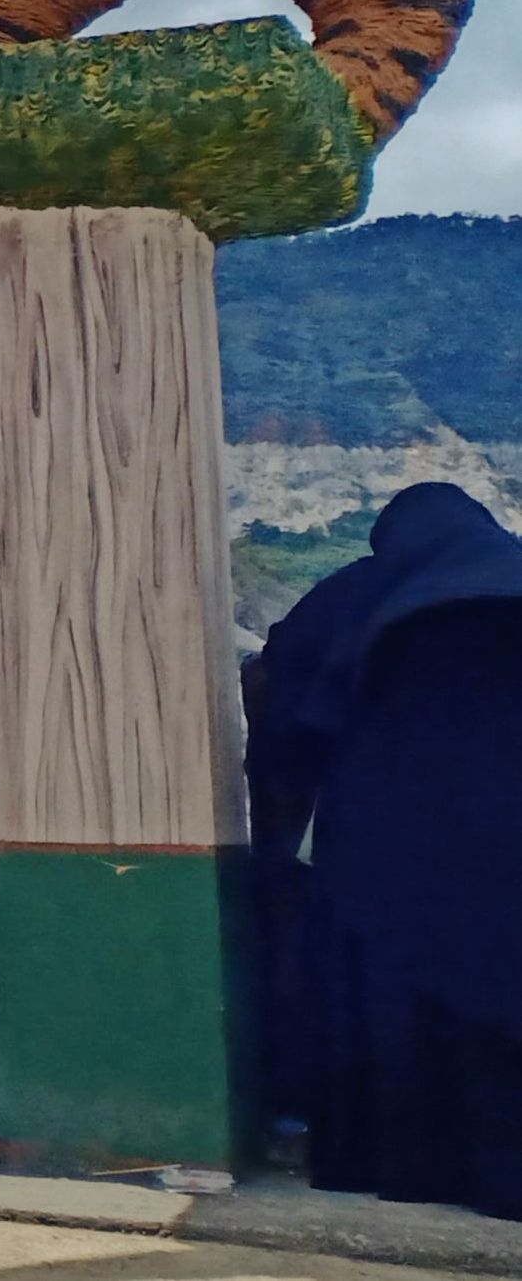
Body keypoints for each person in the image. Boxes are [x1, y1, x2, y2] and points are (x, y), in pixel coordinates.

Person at [256, 481, 522, 1217]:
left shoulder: (365, 592)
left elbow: (285, 696)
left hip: (385, 835)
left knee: (390, 992)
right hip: (509, 839)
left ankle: (390, 1161)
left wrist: (279, 835)